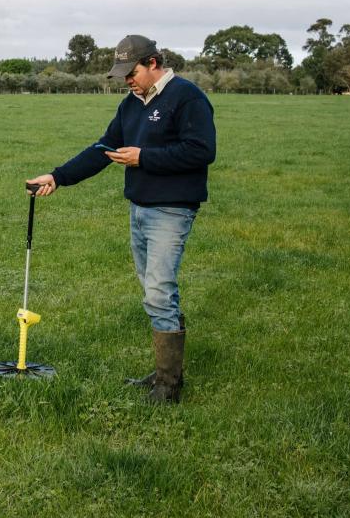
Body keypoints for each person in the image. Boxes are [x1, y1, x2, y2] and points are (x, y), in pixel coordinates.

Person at [26, 34, 216, 403]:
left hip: (172, 208)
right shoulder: (131, 104)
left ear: (155, 63)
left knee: (159, 291)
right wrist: (57, 177)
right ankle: (166, 373)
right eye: (122, 73)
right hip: (140, 208)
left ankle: (169, 388)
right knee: (153, 291)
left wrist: (144, 157)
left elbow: (202, 150)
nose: (127, 79)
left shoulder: (187, 97)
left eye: (133, 71)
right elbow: (104, 148)